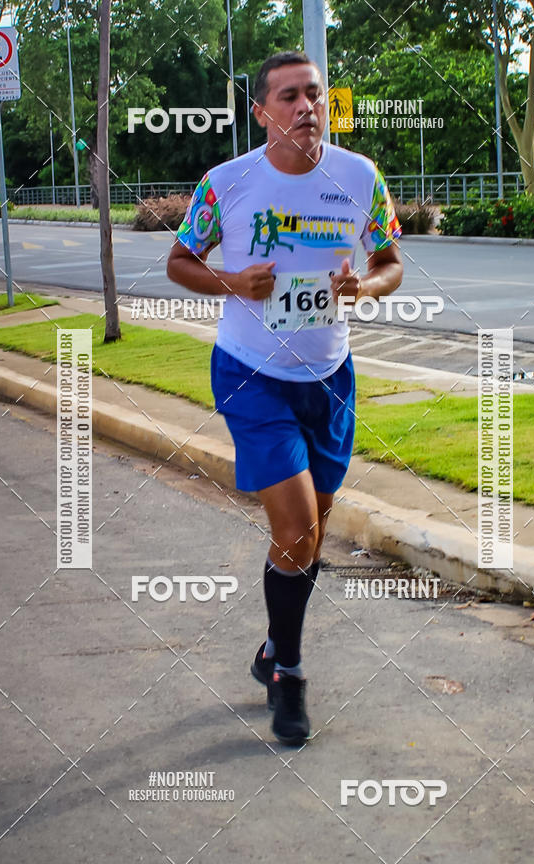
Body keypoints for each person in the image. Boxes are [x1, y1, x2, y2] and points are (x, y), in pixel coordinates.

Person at [167, 51, 403, 745]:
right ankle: (291, 676)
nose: (307, 106)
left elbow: (389, 262)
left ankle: (272, 646)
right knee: (297, 527)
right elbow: (181, 260)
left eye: (316, 94)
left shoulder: (360, 177)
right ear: (263, 111)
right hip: (250, 373)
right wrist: (232, 281)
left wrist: (369, 286)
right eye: (291, 96)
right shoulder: (226, 183)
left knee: (313, 532)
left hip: (330, 377)